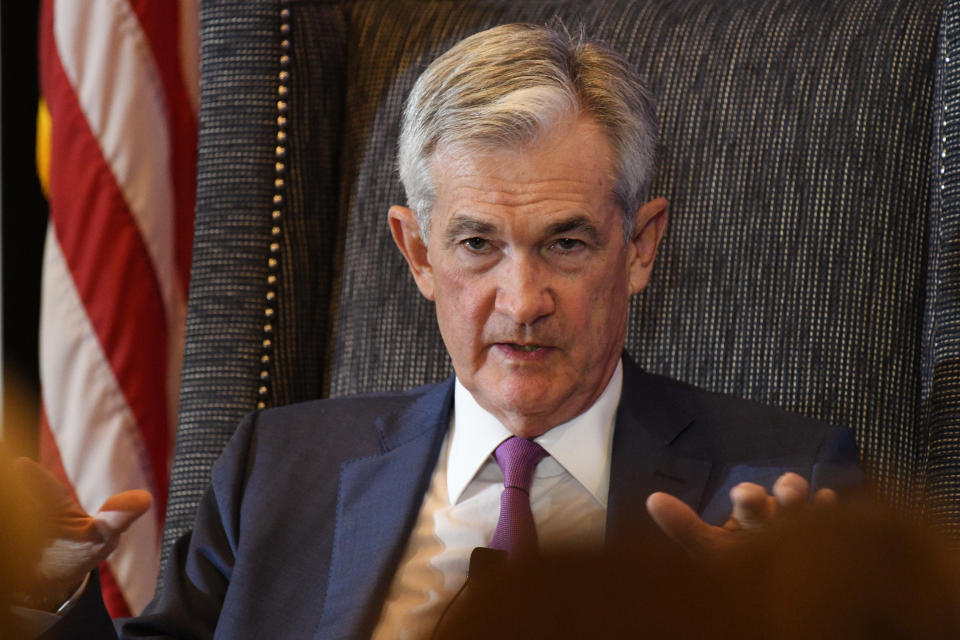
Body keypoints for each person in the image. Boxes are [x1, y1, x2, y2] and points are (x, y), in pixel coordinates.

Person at [8, 22, 861, 639]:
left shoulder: (785, 487)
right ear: (416, 252)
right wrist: (42, 601)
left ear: (638, 249)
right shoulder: (283, 468)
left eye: (565, 244)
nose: (521, 300)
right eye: (477, 245)